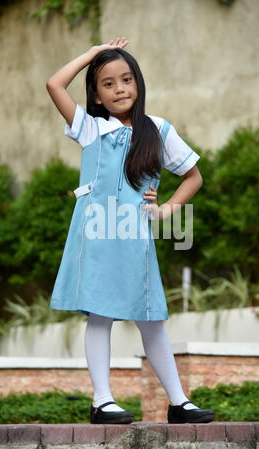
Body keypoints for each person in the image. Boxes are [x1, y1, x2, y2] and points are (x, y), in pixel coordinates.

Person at [46, 37, 214, 424]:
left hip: (134, 237)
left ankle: (178, 402)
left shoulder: (158, 128)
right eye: (107, 83)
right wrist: (92, 54)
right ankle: (102, 400)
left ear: (138, 83)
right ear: (97, 94)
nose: (119, 89)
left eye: (126, 79)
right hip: (97, 235)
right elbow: (54, 84)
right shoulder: (89, 128)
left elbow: (193, 176)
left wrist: (166, 210)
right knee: (100, 315)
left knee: (151, 317)